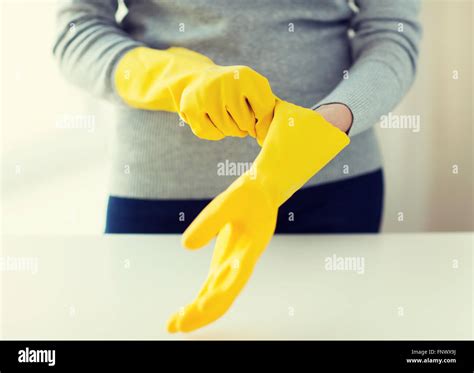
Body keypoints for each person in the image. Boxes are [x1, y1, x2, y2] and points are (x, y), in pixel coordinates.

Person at [53, 0, 421, 332]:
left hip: (327, 187)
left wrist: (318, 132)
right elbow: (77, 31)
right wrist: (178, 80)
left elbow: (392, 31)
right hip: (160, 194)